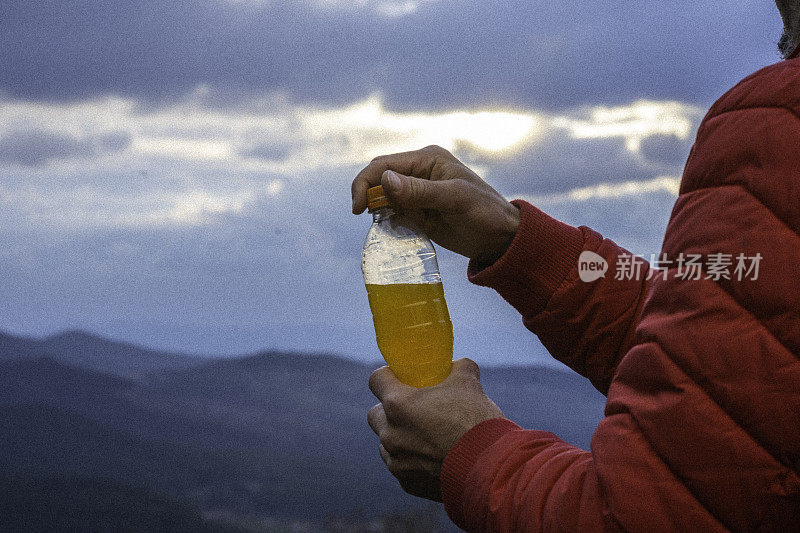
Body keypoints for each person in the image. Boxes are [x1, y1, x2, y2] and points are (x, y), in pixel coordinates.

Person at [350, 3, 800, 530]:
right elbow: (744, 366)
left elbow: (646, 517)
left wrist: (469, 456)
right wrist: (521, 246)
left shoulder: (779, 121)